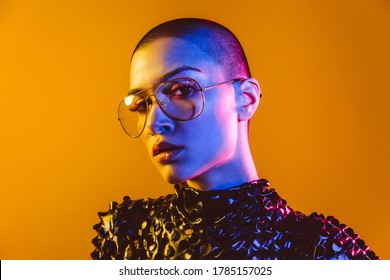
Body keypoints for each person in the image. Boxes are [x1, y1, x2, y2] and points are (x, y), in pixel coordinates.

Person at [91, 18, 379, 260]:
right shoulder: (127, 234)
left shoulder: (322, 252)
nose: (154, 123)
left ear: (246, 98)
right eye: (141, 105)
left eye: (181, 89)